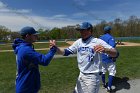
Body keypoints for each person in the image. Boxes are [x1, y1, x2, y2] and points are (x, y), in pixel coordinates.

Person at [57, 22, 118, 93]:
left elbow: (115, 53)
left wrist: (106, 50)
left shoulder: (97, 41)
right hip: (81, 74)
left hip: (92, 77)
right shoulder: (78, 42)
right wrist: (56, 49)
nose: (81, 32)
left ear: (89, 30)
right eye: (80, 30)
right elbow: (67, 52)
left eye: (83, 30)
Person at [12, 26, 57, 93]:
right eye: (34, 35)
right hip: (26, 87)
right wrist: (53, 49)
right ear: (27, 36)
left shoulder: (23, 47)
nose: (36, 36)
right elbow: (44, 61)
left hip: (27, 84)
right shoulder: (25, 50)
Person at [100, 26, 119, 92]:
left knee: (103, 70)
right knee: (112, 72)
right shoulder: (110, 37)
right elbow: (112, 47)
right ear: (109, 31)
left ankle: (103, 83)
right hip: (109, 57)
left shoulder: (100, 37)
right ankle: (109, 87)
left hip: (101, 57)